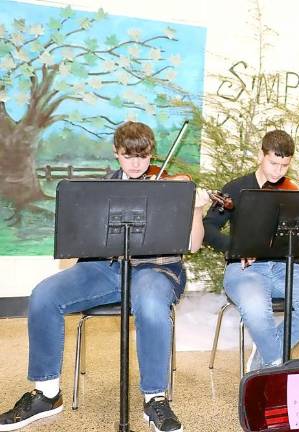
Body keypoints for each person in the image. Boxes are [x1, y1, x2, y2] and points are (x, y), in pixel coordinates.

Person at [0, 121, 210, 432]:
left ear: (152, 154)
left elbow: (192, 245)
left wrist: (196, 209)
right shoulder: (101, 190)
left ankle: (155, 398)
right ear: (116, 154)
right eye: (129, 156)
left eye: (144, 156)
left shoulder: (172, 188)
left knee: (151, 304)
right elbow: (82, 240)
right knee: (44, 295)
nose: (137, 164)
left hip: (156, 269)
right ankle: (46, 394)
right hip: (107, 268)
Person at [202, 129, 299, 371]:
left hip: (285, 265)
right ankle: (275, 366)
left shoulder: (293, 192)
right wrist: (236, 248)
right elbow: (209, 227)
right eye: (273, 163)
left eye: (284, 166)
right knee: (256, 309)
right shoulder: (237, 188)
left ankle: (266, 352)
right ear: (260, 155)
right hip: (245, 268)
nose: (278, 172)